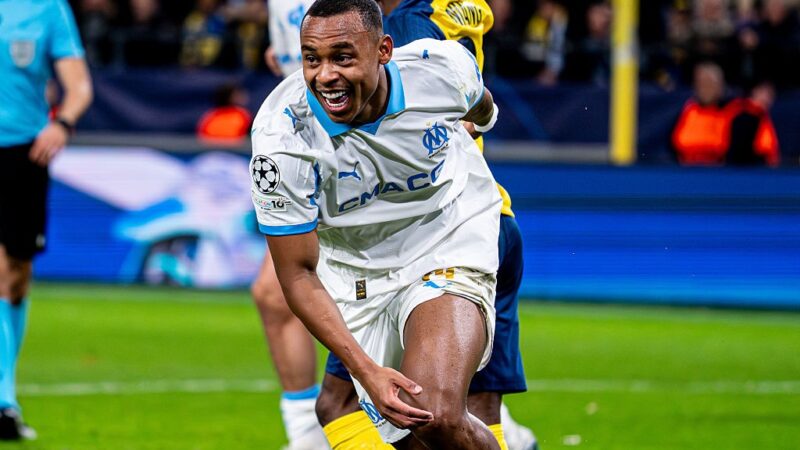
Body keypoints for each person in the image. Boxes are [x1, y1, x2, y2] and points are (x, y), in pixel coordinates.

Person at [251, 0, 502, 447]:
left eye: (343, 57)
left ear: (384, 50)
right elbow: (297, 274)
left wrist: (474, 127)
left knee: (435, 414)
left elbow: (480, 103)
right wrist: (366, 371)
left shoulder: (438, 68)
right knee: (411, 430)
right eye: (312, 59)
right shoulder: (280, 141)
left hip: (447, 234)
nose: (326, 75)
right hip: (355, 274)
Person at [316, 1, 537, 449]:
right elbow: (472, 107)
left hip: (434, 229)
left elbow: (426, 113)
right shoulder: (460, 8)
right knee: (475, 405)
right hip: (493, 217)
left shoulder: (403, 28)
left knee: (362, 406)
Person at [0, 0, 93, 440]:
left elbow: (78, 86)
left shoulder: (46, 9)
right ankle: (3, 400)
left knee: (15, 276)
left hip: (24, 151)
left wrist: (63, 124)